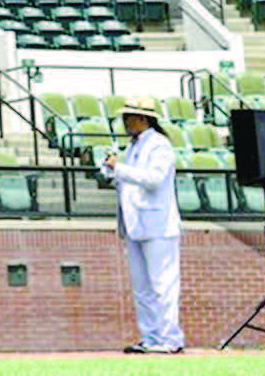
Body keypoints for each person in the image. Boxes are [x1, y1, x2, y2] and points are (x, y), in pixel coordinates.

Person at [100, 96, 183, 354]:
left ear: (143, 118)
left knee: (163, 285)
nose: (125, 122)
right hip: (135, 225)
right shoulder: (133, 147)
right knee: (142, 288)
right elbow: (129, 180)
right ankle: (150, 338)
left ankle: (170, 339)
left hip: (157, 225)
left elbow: (154, 179)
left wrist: (120, 169)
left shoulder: (159, 145)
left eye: (129, 116)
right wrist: (111, 171)